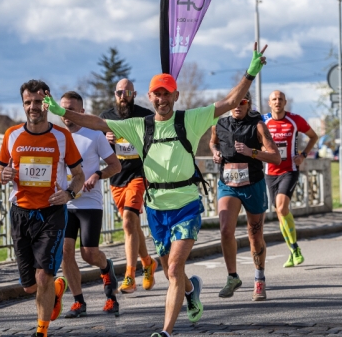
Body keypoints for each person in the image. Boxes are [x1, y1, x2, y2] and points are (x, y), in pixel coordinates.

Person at [43, 43, 268, 337]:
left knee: (174, 269)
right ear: (149, 97)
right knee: (170, 270)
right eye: (157, 94)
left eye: (167, 93)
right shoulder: (139, 125)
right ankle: (191, 289)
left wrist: (250, 72)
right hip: (157, 209)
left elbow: (229, 101)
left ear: (176, 96)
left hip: (187, 204)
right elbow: (96, 122)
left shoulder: (191, 119)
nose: (162, 98)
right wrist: (62, 112)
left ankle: (166, 331)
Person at [0, 80, 85, 337]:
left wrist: (69, 194)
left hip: (51, 212)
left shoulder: (61, 136)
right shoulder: (11, 134)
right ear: (23, 104)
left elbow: (78, 174)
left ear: (47, 103)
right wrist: (3, 174)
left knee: (42, 277)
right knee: (29, 286)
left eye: (38, 101)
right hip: (21, 213)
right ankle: (57, 289)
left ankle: (41, 331)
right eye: (28, 102)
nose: (33, 107)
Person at [209, 92, 281, 301]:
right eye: (234, 102)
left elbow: (275, 156)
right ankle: (232, 277)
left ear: (248, 104)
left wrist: (253, 153)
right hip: (228, 184)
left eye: (243, 102)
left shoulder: (257, 125)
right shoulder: (220, 124)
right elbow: (213, 142)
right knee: (225, 230)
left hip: (253, 184)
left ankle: (259, 279)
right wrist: (215, 152)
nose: (238, 106)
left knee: (254, 235)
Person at [58, 92, 122, 318]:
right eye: (63, 108)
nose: (66, 113)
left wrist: (96, 174)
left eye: (72, 109)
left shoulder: (94, 135)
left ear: (82, 111)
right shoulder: (55, 136)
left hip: (89, 203)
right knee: (66, 253)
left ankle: (106, 268)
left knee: (89, 254)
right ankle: (78, 302)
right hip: (64, 204)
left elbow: (115, 167)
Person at [99, 79, 157, 294]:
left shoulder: (145, 115)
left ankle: (130, 275)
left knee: (128, 222)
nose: (123, 96)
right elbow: (100, 147)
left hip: (139, 174)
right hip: (117, 176)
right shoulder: (106, 117)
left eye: (127, 92)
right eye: (119, 92)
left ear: (134, 94)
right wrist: (107, 139)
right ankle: (148, 262)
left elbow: (154, 143)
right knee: (130, 225)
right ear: (115, 94)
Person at [263, 90, 319, 268]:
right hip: (270, 172)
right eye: (274, 99)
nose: (277, 102)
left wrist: (303, 155)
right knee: (280, 214)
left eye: (280, 99)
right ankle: (292, 250)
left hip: (289, 170)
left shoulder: (295, 120)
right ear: (269, 103)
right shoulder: (263, 121)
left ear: (285, 102)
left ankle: (295, 248)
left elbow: (313, 136)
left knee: (281, 207)